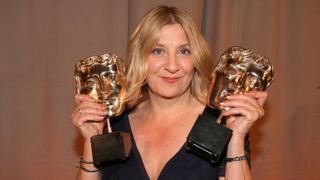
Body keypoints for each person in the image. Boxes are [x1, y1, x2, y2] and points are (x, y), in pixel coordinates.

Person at [71, 5, 267, 180]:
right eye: (158, 51)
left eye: (184, 51)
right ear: (141, 58)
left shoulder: (223, 124)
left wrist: (237, 137)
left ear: (196, 59)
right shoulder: (113, 123)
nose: (172, 66)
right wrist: (91, 140)